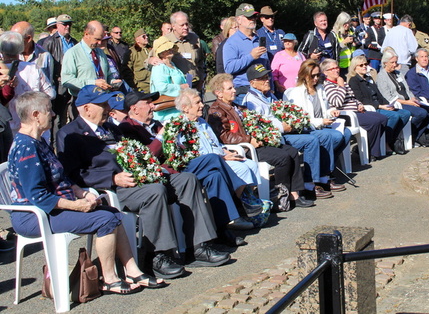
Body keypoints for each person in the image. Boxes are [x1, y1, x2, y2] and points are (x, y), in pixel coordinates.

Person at [57, 86, 231, 278]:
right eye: (103, 104)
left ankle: (198, 246)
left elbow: (135, 153)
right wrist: (112, 179)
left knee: (187, 180)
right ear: (87, 108)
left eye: (107, 103)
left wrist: (149, 167)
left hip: (138, 179)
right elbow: (73, 174)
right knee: (155, 192)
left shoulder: (111, 129)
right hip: (112, 189)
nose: (108, 108)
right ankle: (156, 256)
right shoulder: (70, 134)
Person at [11, 91, 165, 293]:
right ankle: (109, 278)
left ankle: (132, 270)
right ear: (35, 115)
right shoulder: (26, 147)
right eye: (49, 111)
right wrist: (76, 205)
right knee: (105, 219)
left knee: (112, 213)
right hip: (32, 215)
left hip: (52, 206)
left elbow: (61, 178)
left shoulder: (39, 141)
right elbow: (38, 196)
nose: (53, 115)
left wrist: (81, 193)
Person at [117, 89, 260, 244]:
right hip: (163, 173)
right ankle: (242, 199)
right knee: (212, 159)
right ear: (134, 108)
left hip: (179, 165)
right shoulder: (127, 128)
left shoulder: (156, 124)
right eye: (148, 103)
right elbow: (146, 157)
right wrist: (161, 136)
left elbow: (180, 148)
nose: (153, 106)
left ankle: (221, 229)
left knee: (215, 176)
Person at [207, 74, 313, 209]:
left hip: (256, 142)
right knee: (283, 158)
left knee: (292, 151)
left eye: (233, 87)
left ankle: (294, 194)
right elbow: (224, 136)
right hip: (244, 148)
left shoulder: (236, 107)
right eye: (230, 88)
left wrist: (265, 134)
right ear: (219, 93)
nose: (234, 90)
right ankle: (279, 198)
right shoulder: (216, 111)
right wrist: (249, 139)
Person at [243, 64, 345, 199]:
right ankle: (309, 185)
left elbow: (282, 111)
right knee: (311, 141)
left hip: (286, 132)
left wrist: (293, 120)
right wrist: (283, 126)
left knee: (334, 136)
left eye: (267, 77)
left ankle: (320, 178)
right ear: (252, 83)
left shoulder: (268, 95)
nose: (267, 80)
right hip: (274, 138)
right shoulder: (251, 101)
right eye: (262, 78)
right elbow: (261, 124)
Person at [176, 88, 261, 187]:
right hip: (211, 163)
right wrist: (223, 158)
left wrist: (228, 152)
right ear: (185, 108)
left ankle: (249, 196)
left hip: (221, 156)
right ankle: (238, 200)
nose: (202, 105)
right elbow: (196, 155)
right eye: (197, 103)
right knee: (242, 169)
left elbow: (215, 143)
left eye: (201, 102)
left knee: (252, 165)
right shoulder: (182, 127)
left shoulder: (202, 122)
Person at [286, 59, 352, 166]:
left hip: (322, 125)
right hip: (309, 128)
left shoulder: (320, 88)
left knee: (347, 133)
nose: (316, 79)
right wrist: (321, 121)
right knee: (335, 136)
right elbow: (301, 119)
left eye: (318, 75)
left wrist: (331, 111)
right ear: (304, 75)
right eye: (313, 76)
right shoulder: (296, 93)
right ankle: (325, 171)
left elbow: (326, 108)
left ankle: (328, 164)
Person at [320, 58, 388, 160]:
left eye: (337, 67)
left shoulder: (341, 81)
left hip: (356, 110)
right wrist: (341, 86)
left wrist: (359, 104)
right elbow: (337, 103)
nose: (336, 70)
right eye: (332, 69)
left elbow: (352, 97)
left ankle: (368, 148)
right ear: (325, 72)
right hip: (346, 115)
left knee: (383, 118)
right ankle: (373, 153)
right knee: (374, 121)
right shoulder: (328, 85)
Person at [348, 55, 411, 155]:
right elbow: (361, 99)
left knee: (405, 114)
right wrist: (380, 106)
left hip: (380, 105)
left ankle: (390, 139)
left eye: (366, 64)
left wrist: (389, 104)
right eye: (361, 65)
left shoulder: (369, 78)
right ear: (355, 67)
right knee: (394, 116)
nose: (364, 66)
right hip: (371, 108)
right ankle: (386, 142)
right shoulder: (354, 81)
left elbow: (379, 94)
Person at [0, 31, 55, 135]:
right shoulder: (33, 68)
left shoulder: (1, 71)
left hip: (7, 126)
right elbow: (51, 94)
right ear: (21, 49)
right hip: (33, 126)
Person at [376, 47, 429, 142]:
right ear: (385, 63)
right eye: (392, 62)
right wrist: (407, 102)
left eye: (396, 62)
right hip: (398, 103)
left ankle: (417, 135)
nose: (395, 65)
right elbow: (389, 97)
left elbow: (407, 89)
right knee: (422, 113)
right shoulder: (382, 76)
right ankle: (410, 134)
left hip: (408, 100)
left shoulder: (398, 74)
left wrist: (412, 98)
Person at [61, 20, 122, 99]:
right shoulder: (72, 53)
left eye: (101, 39)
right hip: (83, 101)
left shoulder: (101, 52)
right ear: (86, 34)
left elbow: (108, 74)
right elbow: (67, 81)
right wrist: (93, 83)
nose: (100, 43)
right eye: (97, 39)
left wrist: (113, 82)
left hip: (103, 98)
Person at [222, 3, 269, 103]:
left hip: (264, 90)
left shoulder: (259, 40)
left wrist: (271, 86)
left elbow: (267, 66)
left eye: (254, 16)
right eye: (249, 17)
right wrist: (251, 57)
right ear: (238, 20)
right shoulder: (231, 43)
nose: (252, 19)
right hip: (244, 91)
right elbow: (229, 68)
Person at [42, 14, 78, 138]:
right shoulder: (50, 42)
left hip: (74, 83)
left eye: (69, 24)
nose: (68, 26)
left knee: (74, 114)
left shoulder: (74, 42)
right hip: (58, 84)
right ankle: (56, 146)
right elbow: (44, 67)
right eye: (64, 24)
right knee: (57, 117)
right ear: (57, 25)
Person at [153, 11, 205, 92]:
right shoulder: (165, 40)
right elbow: (149, 60)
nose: (185, 27)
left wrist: (202, 78)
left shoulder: (194, 38)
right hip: (179, 87)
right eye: (182, 25)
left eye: (187, 24)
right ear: (173, 26)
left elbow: (201, 60)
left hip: (196, 83)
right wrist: (151, 60)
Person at [150, 36, 188, 122]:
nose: (170, 49)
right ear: (161, 53)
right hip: (167, 115)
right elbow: (161, 87)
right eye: (167, 49)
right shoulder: (159, 67)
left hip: (177, 110)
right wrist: (180, 87)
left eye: (170, 47)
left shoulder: (172, 64)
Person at [122, 28, 152, 93]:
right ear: (137, 40)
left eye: (147, 36)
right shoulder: (132, 52)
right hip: (141, 85)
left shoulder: (151, 50)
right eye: (143, 36)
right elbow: (127, 71)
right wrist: (134, 84)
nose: (146, 37)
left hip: (153, 83)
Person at [331, 12, 356, 77]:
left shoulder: (350, 32)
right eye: (345, 23)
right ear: (340, 23)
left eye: (348, 23)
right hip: (340, 66)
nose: (347, 25)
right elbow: (333, 51)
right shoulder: (334, 34)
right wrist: (344, 42)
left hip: (351, 65)